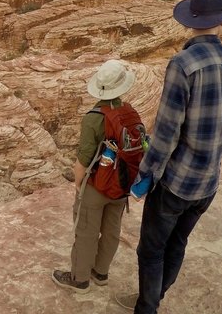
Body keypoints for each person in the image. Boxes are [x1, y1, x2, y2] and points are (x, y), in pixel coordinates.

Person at [118, 0, 222, 313]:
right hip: (208, 183)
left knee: (151, 250)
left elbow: (166, 134)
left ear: (190, 20)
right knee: (178, 243)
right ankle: (155, 299)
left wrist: (145, 177)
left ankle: (147, 307)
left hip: (175, 183)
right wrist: (212, 154)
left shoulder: (183, 64)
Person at [53, 59, 138, 293]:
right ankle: (101, 273)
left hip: (97, 184)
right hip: (122, 184)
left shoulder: (94, 117)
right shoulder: (130, 112)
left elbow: (84, 157)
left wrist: (79, 184)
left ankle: (79, 279)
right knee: (112, 230)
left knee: (86, 231)